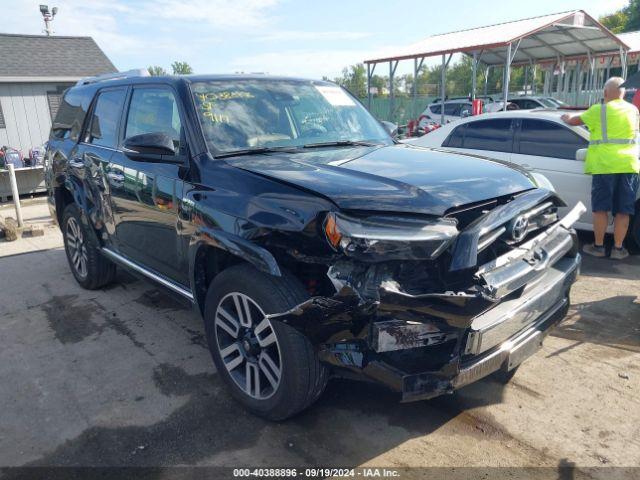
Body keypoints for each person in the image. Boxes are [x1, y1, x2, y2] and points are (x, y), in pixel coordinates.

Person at [561, 77, 640, 260]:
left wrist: (566, 117)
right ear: (624, 93)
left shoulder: (599, 110)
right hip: (629, 165)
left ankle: (598, 246)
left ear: (605, 93)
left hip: (604, 165)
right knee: (624, 210)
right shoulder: (634, 111)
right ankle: (618, 249)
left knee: (601, 208)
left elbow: (574, 121)